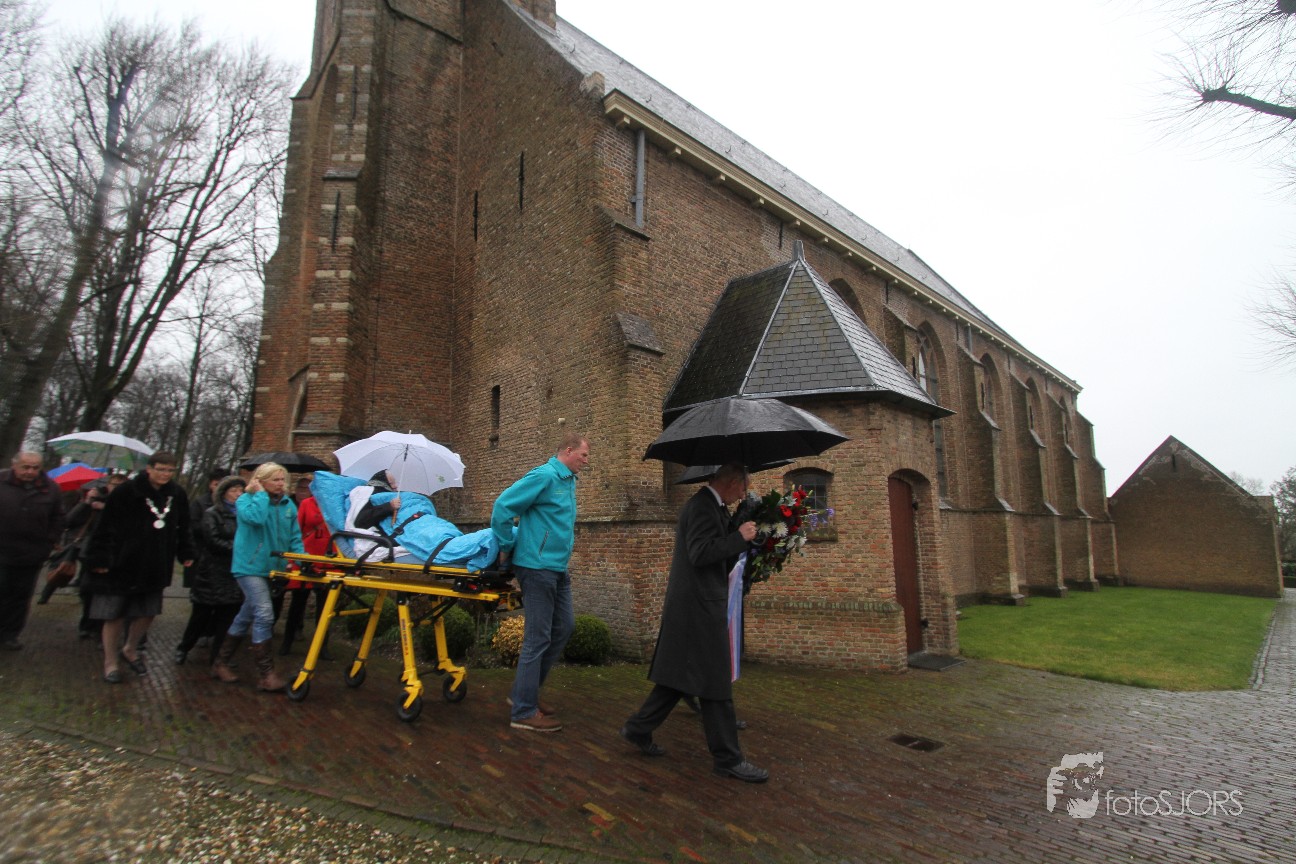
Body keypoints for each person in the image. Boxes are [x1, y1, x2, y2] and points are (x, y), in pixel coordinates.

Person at [620, 462, 769, 783]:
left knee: (678, 678)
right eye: (743, 486)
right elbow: (700, 553)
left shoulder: (714, 507)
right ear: (731, 482)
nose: (743, 493)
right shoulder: (701, 507)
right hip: (698, 608)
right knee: (715, 683)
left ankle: (637, 728)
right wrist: (739, 537)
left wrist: (740, 531)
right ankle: (728, 759)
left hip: (697, 605)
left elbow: (717, 551)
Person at [491, 432, 589, 733]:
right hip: (536, 567)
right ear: (568, 451)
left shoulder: (567, 481)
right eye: (584, 455)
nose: (587, 461)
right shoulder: (544, 476)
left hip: (556, 568)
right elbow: (503, 506)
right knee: (538, 637)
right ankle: (523, 711)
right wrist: (506, 544)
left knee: (564, 627)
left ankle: (526, 693)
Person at [83, 452, 194, 683]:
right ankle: (110, 662)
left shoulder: (177, 494)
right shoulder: (127, 491)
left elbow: (184, 526)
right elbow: (105, 525)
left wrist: (186, 551)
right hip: (122, 562)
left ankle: (130, 648)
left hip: (156, 562)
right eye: (161, 469)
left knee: (148, 611)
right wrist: (100, 558)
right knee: (114, 614)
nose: (165, 474)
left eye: (170, 470)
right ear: (149, 468)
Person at [211, 462, 303, 691]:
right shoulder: (245, 501)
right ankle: (266, 675)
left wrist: (303, 561)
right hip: (249, 567)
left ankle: (220, 663)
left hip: (272, 568)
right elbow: (256, 519)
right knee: (264, 613)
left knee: (246, 615)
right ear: (261, 481)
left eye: (282, 479)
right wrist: (260, 494)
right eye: (275, 480)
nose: (281, 484)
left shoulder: (288, 505)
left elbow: (294, 536)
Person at [176, 476, 246, 667]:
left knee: (227, 617)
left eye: (241, 490)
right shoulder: (212, 513)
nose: (238, 494)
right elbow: (212, 540)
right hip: (212, 571)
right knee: (201, 615)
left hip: (234, 572)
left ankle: (219, 656)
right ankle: (184, 647)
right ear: (223, 493)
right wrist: (240, 547)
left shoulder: (245, 515)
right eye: (233, 490)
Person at [0, 451, 65, 651]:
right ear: (15, 465)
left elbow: (58, 518)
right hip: (2, 550)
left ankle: (10, 634)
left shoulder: (51, 489)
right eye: (26, 467)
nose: (30, 471)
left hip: (31, 554)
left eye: (35, 468)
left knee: (20, 596)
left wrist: (49, 541)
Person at [280, 474, 329, 656]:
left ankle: (322, 647)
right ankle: (287, 642)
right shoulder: (307, 504)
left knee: (324, 608)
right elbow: (297, 531)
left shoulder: (333, 506)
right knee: (298, 603)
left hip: (327, 561)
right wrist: (293, 559)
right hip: (306, 558)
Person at [184, 467, 228, 589]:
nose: (219, 488)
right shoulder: (200, 503)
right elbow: (191, 525)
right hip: (202, 552)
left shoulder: (233, 505)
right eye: (216, 484)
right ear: (210, 485)